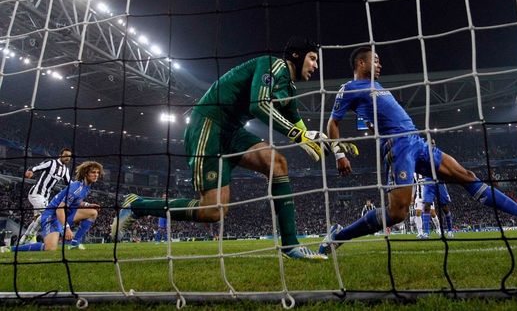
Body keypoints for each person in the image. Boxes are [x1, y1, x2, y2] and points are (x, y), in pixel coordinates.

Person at [111, 37, 354, 260]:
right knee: (213, 211)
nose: (315, 66)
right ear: (296, 56)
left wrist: (334, 148)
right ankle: (138, 204)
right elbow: (259, 105)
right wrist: (297, 134)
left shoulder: (288, 90)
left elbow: (303, 133)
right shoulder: (274, 65)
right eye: (313, 58)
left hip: (232, 131)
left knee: (277, 163)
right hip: (210, 123)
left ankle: (291, 246)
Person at [318, 47, 517, 254]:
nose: (380, 65)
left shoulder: (376, 86)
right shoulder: (349, 88)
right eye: (375, 61)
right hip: (397, 147)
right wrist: (339, 154)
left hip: (417, 142)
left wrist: (373, 123)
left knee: (466, 176)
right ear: (361, 63)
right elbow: (332, 123)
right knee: (397, 213)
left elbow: (376, 114)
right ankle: (338, 236)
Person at [3, 161, 102, 252]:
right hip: (52, 216)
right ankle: (10, 249)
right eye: (93, 172)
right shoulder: (76, 187)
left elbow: (77, 202)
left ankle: (74, 244)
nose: (96, 175)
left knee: (93, 212)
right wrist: (67, 229)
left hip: (65, 214)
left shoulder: (86, 187)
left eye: (97, 173)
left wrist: (88, 205)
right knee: (50, 248)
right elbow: (59, 209)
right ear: (85, 174)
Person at [19, 148, 72, 245]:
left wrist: (78, 187)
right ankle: (30, 240)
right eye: (65, 155)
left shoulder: (65, 170)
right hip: (36, 194)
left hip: (45, 197)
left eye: (69, 156)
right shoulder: (51, 162)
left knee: (37, 219)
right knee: (46, 215)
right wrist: (30, 170)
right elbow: (37, 167)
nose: (67, 158)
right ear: (60, 155)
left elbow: (69, 184)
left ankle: (23, 241)